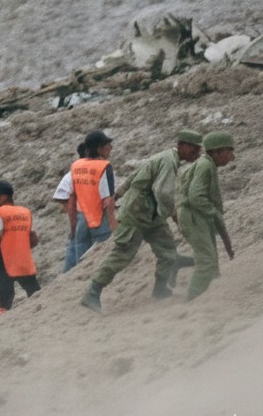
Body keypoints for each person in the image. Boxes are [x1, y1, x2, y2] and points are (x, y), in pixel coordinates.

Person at [82, 131, 204, 311]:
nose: (197, 153)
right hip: (136, 215)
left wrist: (119, 194)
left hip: (151, 215)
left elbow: (134, 175)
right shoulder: (168, 161)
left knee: (168, 250)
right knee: (123, 253)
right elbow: (164, 193)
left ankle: (160, 289)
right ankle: (92, 292)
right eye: (194, 149)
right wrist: (174, 216)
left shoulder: (164, 157)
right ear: (182, 146)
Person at [179, 132, 237, 300]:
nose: (232, 157)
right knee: (207, 261)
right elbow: (196, 196)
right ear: (217, 152)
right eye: (229, 151)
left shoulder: (207, 164)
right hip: (194, 217)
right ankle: (192, 300)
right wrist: (214, 213)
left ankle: (212, 297)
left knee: (212, 260)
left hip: (199, 217)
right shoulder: (205, 165)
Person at [0, 181, 41, 310]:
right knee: (34, 290)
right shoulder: (25, 212)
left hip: (2, 259)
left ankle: (4, 312)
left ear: (2, 196)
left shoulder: (0, 212)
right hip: (22, 259)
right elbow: (33, 238)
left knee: (6, 295)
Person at [66, 130, 117, 272]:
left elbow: (72, 197)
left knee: (81, 265)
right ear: (99, 148)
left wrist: (73, 226)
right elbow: (108, 200)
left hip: (81, 220)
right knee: (102, 260)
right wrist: (114, 226)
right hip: (99, 220)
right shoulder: (104, 167)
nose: (110, 148)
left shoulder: (76, 166)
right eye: (107, 145)